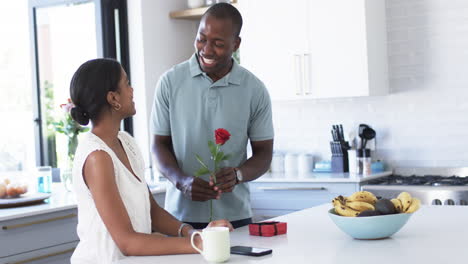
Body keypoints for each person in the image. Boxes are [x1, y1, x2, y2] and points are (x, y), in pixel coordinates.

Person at [69, 58, 233, 264]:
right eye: (126, 83)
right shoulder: (97, 157)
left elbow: (152, 211)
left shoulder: (125, 142)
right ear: (113, 98)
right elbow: (127, 242)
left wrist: (191, 233)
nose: (132, 90)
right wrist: (199, 243)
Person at [151, 3, 274, 229]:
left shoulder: (254, 89)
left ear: (235, 44)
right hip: (179, 218)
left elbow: (264, 153)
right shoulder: (169, 82)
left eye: (218, 43)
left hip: (235, 218)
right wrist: (181, 181)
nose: (206, 50)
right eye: (201, 38)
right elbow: (159, 146)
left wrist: (239, 174)